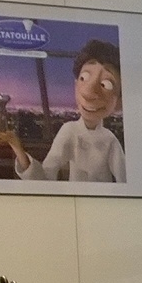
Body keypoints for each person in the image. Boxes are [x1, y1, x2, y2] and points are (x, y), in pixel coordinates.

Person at [12, 37, 127, 183]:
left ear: (119, 103)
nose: (89, 92)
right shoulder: (69, 131)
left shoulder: (110, 140)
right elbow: (45, 178)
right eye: (84, 78)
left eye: (106, 84)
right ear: (76, 85)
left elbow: (125, 181)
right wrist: (16, 146)